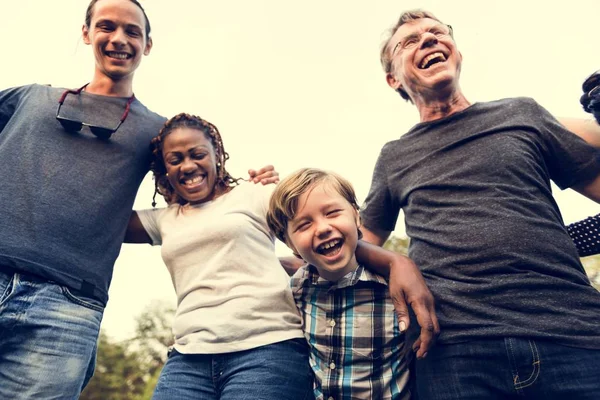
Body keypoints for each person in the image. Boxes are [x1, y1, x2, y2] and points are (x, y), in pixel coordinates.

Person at [0, 1, 275, 397]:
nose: (118, 39)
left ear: (147, 45)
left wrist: (254, 188)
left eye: (132, 31)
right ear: (85, 33)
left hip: (68, 307)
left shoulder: (155, 132)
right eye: (106, 27)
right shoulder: (33, 98)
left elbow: (198, 185)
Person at [360, 9, 600, 399]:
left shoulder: (521, 113)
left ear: (456, 51)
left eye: (437, 32)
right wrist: (397, 261)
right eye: (409, 41)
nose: (428, 39)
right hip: (455, 352)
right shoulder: (394, 157)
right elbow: (357, 240)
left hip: (573, 335)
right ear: (393, 79)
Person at [125, 113, 438, 399]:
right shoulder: (164, 219)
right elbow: (101, 219)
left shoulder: (253, 194)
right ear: (163, 167)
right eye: (175, 159)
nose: (189, 165)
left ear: (217, 155)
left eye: (198, 154)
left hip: (265, 347)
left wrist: (396, 261)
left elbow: (318, 223)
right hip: (188, 355)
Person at [266, 167, 414, 400]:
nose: (323, 228)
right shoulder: (295, 291)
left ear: (356, 217)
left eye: (333, 213)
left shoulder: (393, 288)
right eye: (304, 225)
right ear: (290, 244)